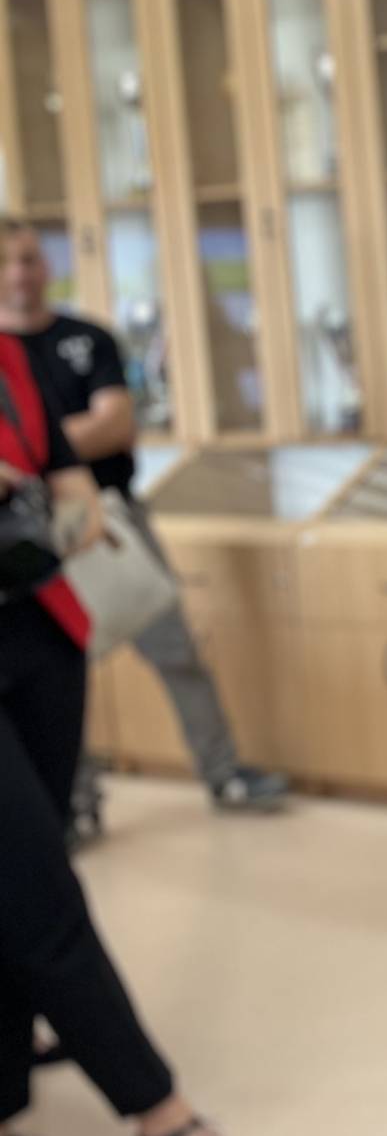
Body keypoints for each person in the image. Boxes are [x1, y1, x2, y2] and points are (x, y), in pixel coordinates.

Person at [0, 330, 255, 1136]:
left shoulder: (13, 359)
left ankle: (4, 1111)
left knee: (19, 887)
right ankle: (157, 1111)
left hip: (40, 638)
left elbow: (71, 481)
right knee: (38, 889)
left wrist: (52, 500)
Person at [0, 219, 289, 835]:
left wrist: (41, 454)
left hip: (108, 520)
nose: (21, 274)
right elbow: (79, 433)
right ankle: (75, 804)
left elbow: (115, 425)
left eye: (29, 259)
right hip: (25, 544)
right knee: (54, 670)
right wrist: (50, 454)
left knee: (173, 647)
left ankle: (223, 772)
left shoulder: (84, 339)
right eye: (8, 262)